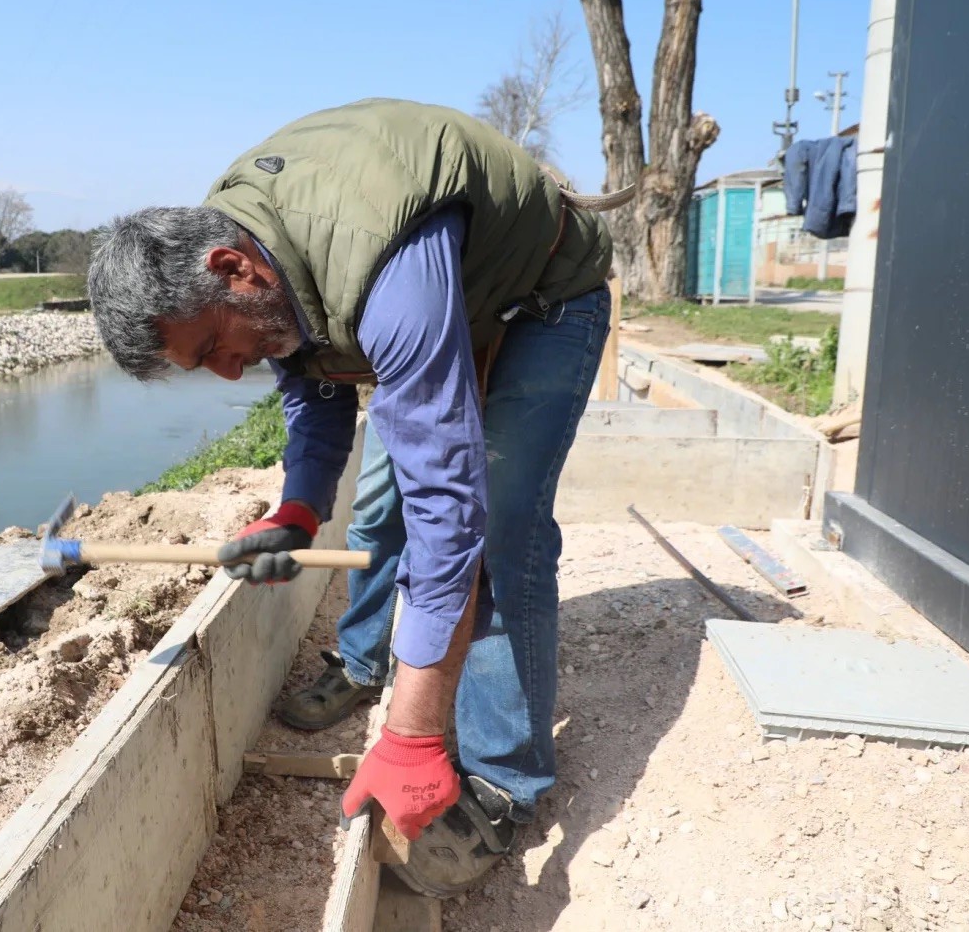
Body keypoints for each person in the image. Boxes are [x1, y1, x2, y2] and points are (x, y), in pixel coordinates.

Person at [87, 98, 613, 897]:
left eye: (214, 346)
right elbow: (312, 377)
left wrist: (414, 735)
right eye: (203, 364)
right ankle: (370, 663)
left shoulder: (379, 263)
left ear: (232, 268)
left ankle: (503, 780)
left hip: (542, 298)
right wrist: (298, 510)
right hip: (442, 294)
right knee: (377, 505)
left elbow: (450, 509)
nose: (229, 370)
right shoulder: (244, 247)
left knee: (501, 527)